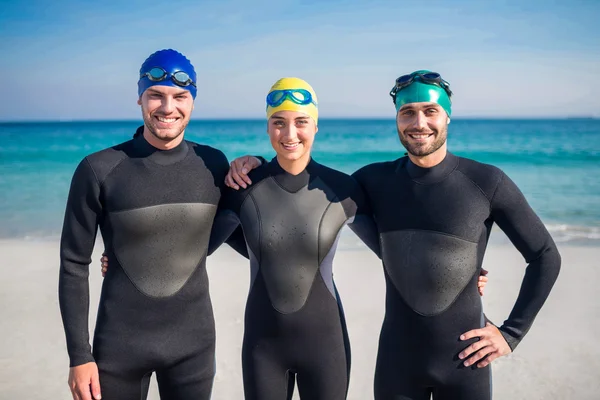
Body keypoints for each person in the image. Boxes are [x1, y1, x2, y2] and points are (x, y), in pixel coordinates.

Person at [227, 70, 560, 399]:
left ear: (447, 117)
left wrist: (510, 333)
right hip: (397, 365)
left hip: (465, 363)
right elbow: (293, 211)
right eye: (407, 112)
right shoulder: (373, 183)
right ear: (397, 119)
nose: (419, 123)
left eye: (430, 111)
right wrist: (256, 163)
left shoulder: (487, 182)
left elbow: (545, 255)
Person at [58, 48, 248, 400]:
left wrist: (258, 162)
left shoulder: (213, 164)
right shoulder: (99, 169)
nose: (167, 107)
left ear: (193, 102)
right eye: (155, 95)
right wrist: (79, 356)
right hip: (118, 350)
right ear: (140, 98)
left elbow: (240, 232)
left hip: (193, 348)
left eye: (180, 97)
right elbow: (73, 264)